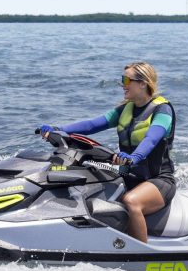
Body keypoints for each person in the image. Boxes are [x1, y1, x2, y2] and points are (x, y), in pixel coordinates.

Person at [39, 62, 175, 244]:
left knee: (132, 202)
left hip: (158, 180)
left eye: (126, 79)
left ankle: (139, 254)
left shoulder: (162, 110)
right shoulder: (125, 109)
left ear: (143, 83)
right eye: (122, 79)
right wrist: (59, 129)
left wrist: (134, 157)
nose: (122, 85)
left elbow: (151, 139)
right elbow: (92, 125)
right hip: (128, 176)